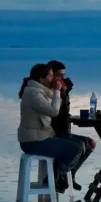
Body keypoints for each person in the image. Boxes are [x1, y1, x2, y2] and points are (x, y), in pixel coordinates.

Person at [17, 63, 82, 192]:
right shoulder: (34, 94)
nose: (54, 79)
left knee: (79, 144)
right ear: (41, 79)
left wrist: (60, 92)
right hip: (33, 142)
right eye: (51, 76)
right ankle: (55, 178)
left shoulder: (41, 91)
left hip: (41, 137)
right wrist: (57, 91)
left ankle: (57, 178)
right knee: (75, 148)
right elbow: (53, 112)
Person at [47, 60, 96, 191]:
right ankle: (57, 177)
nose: (62, 78)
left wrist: (65, 92)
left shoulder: (59, 91)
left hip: (64, 130)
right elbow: (55, 113)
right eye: (60, 75)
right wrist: (60, 92)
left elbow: (64, 112)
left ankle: (71, 174)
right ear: (51, 75)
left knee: (90, 143)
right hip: (54, 132)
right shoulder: (48, 92)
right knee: (78, 146)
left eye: (63, 75)